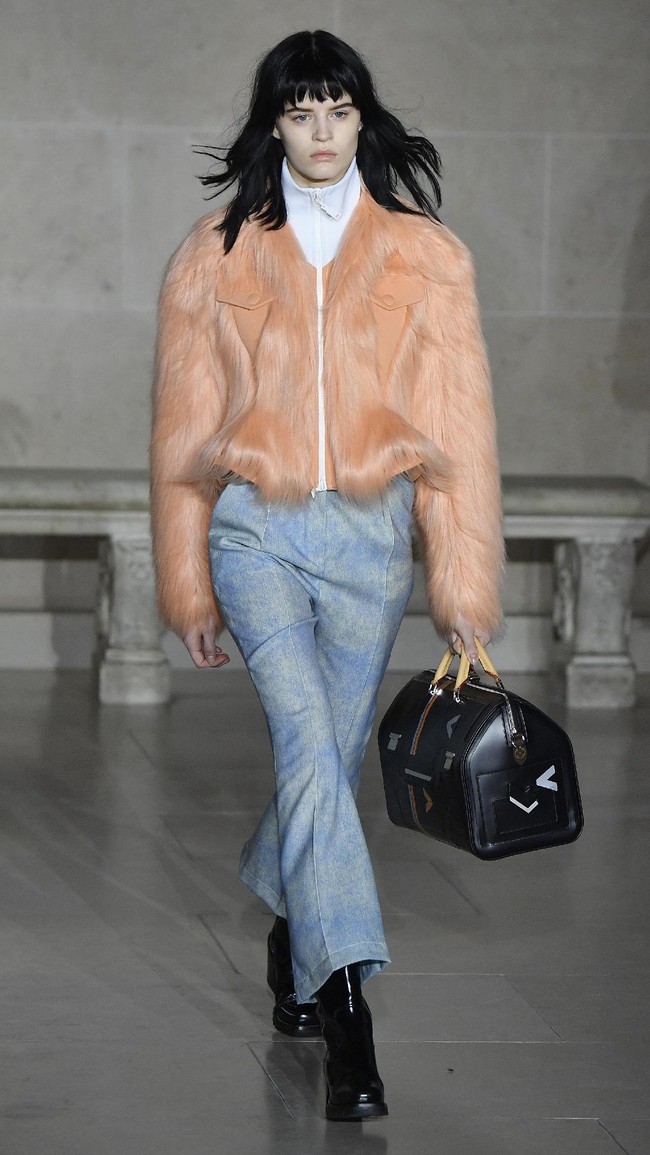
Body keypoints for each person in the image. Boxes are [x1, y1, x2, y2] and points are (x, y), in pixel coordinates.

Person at [150, 29, 504, 1122]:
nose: (317, 130)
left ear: (361, 119)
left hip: (367, 541)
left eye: (336, 109)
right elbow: (182, 433)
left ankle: (289, 922)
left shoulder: (424, 255)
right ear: (271, 123)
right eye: (297, 110)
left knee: (327, 767)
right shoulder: (213, 252)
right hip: (255, 531)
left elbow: (460, 432)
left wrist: (460, 590)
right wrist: (190, 583)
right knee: (308, 750)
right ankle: (346, 1006)